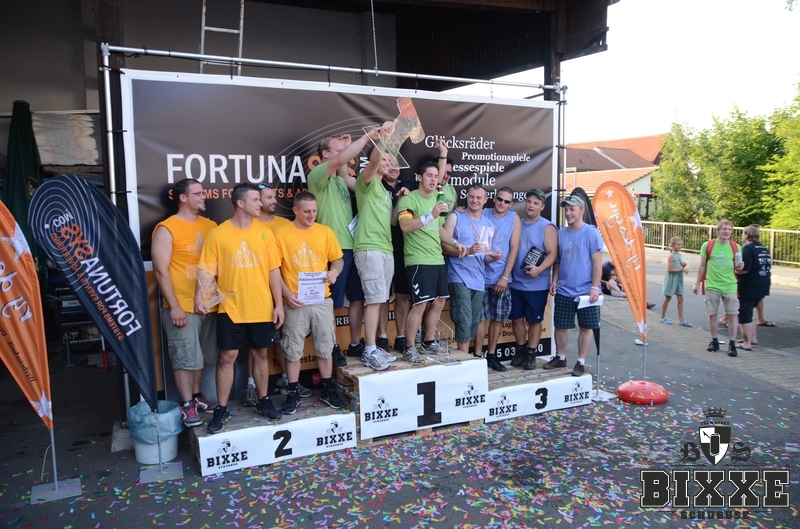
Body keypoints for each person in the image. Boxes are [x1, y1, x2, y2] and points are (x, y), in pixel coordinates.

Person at [196, 183, 285, 434]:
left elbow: (274, 272)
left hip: (261, 307)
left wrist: (279, 304)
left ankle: (263, 400)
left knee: (260, 354)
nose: (260, 204)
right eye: (255, 200)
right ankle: (222, 409)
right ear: (240, 203)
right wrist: (200, 296)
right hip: (230, 308)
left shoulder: (265, 234)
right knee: (227, 358)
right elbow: (207, 270)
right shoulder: (218, 233)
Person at [307, 126, 388, 361]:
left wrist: (346, 147)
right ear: (324, 154)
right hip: (333, 250)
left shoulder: (340, 181)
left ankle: (354, 343)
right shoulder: (317, 176)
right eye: (338, 150)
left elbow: (343, 167)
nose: (343, 154)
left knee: (358, 298)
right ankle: (331, 346)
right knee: (331, 303)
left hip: (353, 246)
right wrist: (367, 137)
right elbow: (340, 160)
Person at [151, 178, 218, 428]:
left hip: (209, 305)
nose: (203, 197)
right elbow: (160, 270)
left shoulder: (211, 226)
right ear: (183, 197)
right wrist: (175, 306)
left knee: (200, 357)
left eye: (203, 193)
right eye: (198, 193)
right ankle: (187, 404)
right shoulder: (167, 228)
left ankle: (197, 396)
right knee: (184, 358)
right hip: (182, 307)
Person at [274, 192, 347, 413]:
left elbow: (338, 259)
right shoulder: (281, 234)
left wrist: (334, 272)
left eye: (314, 211)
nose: (311, 215)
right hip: (295, 300)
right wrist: (286, 294)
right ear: (295, 210)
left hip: (322, 298)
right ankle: (293, 392)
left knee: (325, 346)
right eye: (306, 211)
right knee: (292, 348)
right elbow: (274, 270)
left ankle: (326, 388)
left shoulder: (325, 232)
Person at [397, 161, 466, 364]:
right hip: (418, 259)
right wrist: (431, 214)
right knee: (420, 304)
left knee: (440, 300)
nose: (434, 179)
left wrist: (454, 243)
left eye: (436, 176)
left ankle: (427, 341)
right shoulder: (409, 198)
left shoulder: (437, 198)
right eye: (429, 175)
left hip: (437, 258)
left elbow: (438, 227)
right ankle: (409, 347)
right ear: (419, 177)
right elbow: (405, 225)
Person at [253, 183, 314, 404]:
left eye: (274, 196)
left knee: (283, 340)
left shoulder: (284, 225)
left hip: (283, 293)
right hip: (257, 292)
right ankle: (251, 386)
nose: (274, 201)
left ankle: (288, 382)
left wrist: (285, 293)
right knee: (256, 345)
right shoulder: (249, 225)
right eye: (268, 197)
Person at [354, 140, 402, 371]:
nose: (388, 164)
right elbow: (373, 162)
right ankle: (370, 350)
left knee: (380, 300)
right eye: (385, 159)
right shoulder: (368, 180)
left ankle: (374, 347)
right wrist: (384, 140)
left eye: (391, 162)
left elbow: (392, 221)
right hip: (369, 247)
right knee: (373, 301)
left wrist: (400, 200)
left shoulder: (384, 190)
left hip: (386, 249)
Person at [544, 195, 603, 377]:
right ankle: (560, 357)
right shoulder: (561, 234)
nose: (568, 213)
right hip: (564, 290)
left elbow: (597, 263)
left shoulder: (591, 233)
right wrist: (554, 280)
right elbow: (558, 261)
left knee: (586, 327)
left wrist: (595, 287)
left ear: (582, 211)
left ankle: (581, 362)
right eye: (566, 209)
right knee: (561, 325)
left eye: (572, 209)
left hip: (586, 292)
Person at [441, 184, 500, 361]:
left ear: (485, 200)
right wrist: (467, 250)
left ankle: (465, 360)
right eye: (472, 197)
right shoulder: (455, 217)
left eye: (478, 197)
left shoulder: (488, 224)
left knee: (474, 322)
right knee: (464, 320)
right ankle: (464, 363)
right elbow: (443, 247)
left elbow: (483, 257)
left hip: (478, 279)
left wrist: (493, 257)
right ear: (467, 197)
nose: (475, 200)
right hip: (458, 276)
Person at [509, 189, 557, 371]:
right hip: (515, 282)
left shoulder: (547, 227)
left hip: (537, 285)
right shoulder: (517, 224)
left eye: (536, 203)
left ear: (542, 207)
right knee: (516, 319)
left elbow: (553, 254)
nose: (531, 205)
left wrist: (540, 269)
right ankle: (521, 350)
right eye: (529, 201)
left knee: (534, 321)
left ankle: (531, 354)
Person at [475, 187, 521, 370]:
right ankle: (478, 356)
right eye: (500, 199)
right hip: (479, 275)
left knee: (498, 317)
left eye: (507, 201)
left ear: (511, 204)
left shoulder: (514, 218)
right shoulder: (483, 212)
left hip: (501, 277)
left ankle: (491, 355)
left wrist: (505, 276)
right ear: (494, 199)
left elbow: (514, 249)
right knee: (480, 318)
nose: (502, 203)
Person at [692, 219, 744, 357]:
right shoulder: (708, 245)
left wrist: (740, 267)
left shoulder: (736, 247)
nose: (727, 232)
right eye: (724, 229)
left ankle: (732, 344)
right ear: (718, 230)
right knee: (712, 314)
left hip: (730, 284)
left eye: (729, 229)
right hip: (712, 284)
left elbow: (738, 268)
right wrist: (697, 283)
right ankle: (714, 341)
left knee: (732, 315)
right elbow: (702, 265)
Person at [379, 166, 415, 353]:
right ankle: (382, 337)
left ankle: (400, 337)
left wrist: (443, 154)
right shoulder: (376, 184)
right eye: (389, 163)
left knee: (402, 294)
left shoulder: (408, 186)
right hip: (381, 246)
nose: (393, 168)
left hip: (403, 248)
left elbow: (437, 179)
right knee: (382, 295)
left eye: (396, 164)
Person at [735, 225, 771, 351]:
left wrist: (735, 270)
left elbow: (746, 269)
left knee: (744, 313)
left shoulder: (748, 249)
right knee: (750, 310)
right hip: (764, 282)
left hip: (749, 284)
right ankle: (753, 338)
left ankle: (747, 343)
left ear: (746, 235)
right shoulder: (764, 248)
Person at [659, 236, 691, 326]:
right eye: (678, 245)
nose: (680, 246)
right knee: (668, 297)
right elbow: (670, 269)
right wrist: (682, 269)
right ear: (672, 245)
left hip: (678, 278)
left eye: (681, 245)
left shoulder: (679, 255)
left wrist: (684, 265)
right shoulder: (671, 256)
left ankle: (681, 319)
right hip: (672, 278)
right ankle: (662, 317)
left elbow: (678, 265)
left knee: (680, 298)